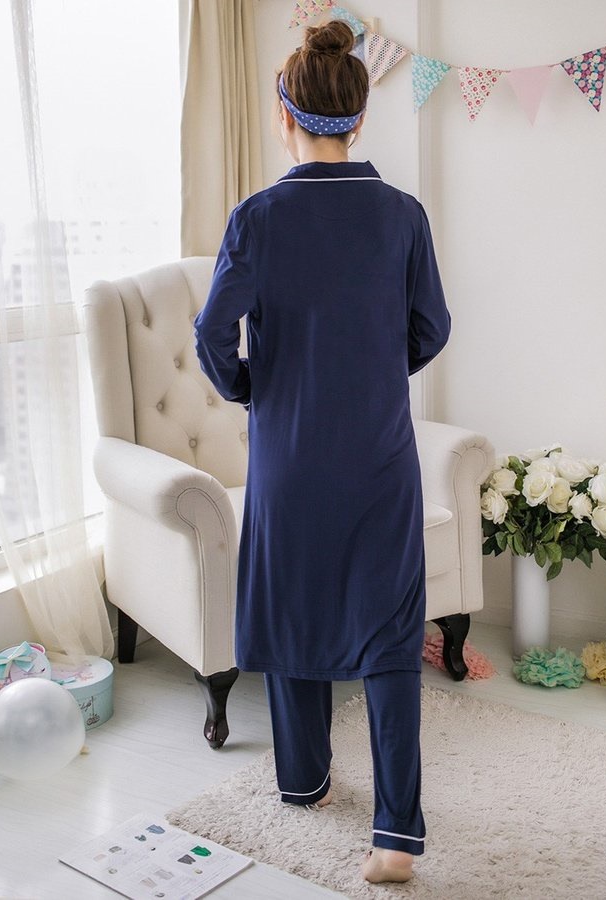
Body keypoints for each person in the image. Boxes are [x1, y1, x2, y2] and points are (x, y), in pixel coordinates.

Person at [194, 20, 450, 885]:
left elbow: (211, 334)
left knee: (294, 606)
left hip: (290, 458)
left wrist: (252, 388)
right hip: (379, 457)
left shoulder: (258, 218)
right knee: (390, 631)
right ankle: (396, 838)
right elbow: (431, 328)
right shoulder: (403, 215)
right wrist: (372, 369)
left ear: (285, 116)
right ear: (360, 116)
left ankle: (304, 781)